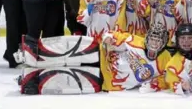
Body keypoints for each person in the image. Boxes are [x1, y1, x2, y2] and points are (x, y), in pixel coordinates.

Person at [15, 22, 171, 95]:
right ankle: (31, 50)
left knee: (66, 77)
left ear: (164, 43)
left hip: (105, 80)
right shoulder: (135, 40)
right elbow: (113, 34)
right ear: (147, 37)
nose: (154, 43)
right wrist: (109, 38)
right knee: (69, 50)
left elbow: (167, 78)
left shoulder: (164, 59)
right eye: (153, 39)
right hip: (99, 53)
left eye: (158, 41)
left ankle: (32, 82)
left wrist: (154, 85)